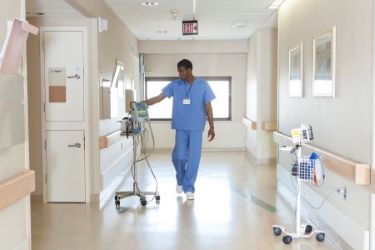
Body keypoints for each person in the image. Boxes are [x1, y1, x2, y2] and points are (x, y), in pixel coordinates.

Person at [142, 59, 215, 200]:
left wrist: (212, 127)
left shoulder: (203, 84)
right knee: (179, 156)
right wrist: (141, 103)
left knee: (194, 158)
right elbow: (158, 98)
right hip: (181, 127)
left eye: (182, 71)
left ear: (189, 70)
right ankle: (180, 179)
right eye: (178, 71)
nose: (179, 73)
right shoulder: (175, 85)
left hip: (196, 128)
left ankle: (189, 188)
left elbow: (208, 107)